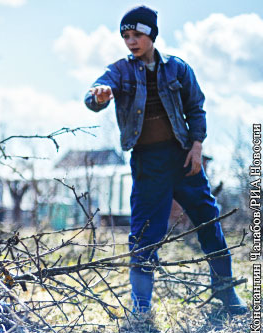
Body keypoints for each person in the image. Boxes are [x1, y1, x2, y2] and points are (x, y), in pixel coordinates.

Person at [84, 5, 247, 315]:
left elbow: (196, 109)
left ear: (152, 35)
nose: (131, 41)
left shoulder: (178, 68)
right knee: (144, 233)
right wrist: (99, 96)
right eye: (126, 36)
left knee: (209, 222)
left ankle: (226, 294)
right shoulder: (119, 70)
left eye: (137, 35)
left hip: (183, 157)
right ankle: (141, 306)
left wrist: (196, 147)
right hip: (147, 163)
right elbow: (93, 96)